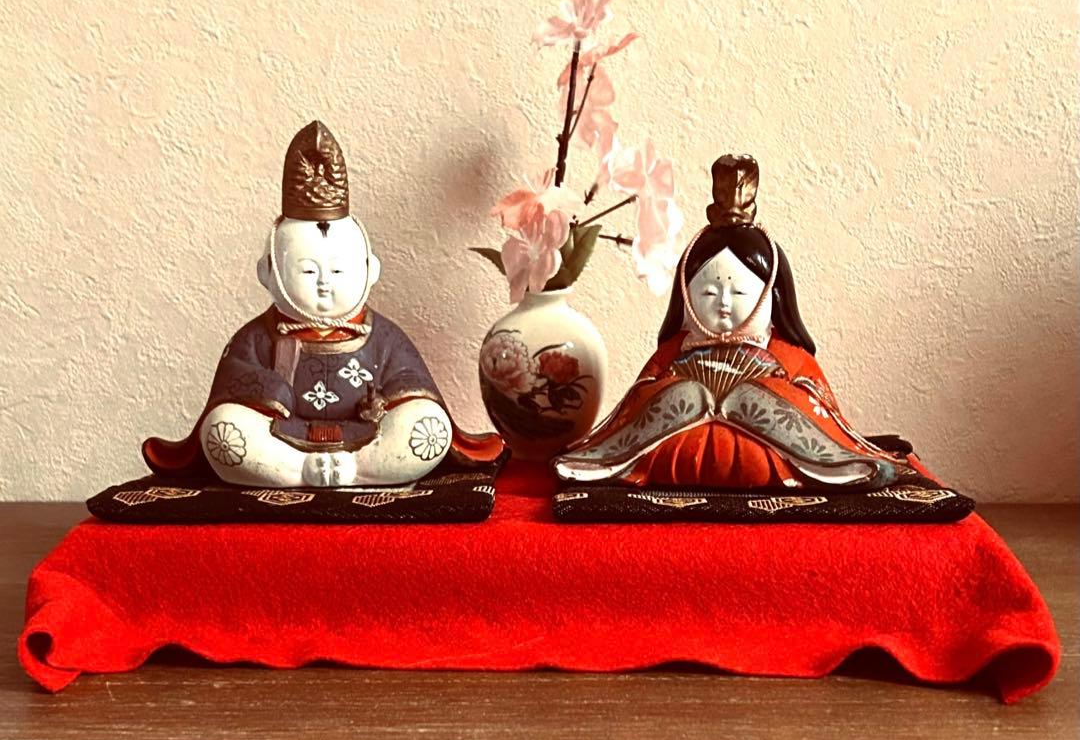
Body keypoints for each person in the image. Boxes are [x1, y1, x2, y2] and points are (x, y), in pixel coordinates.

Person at [143, 121, 505, 487]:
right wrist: (268, 392)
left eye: (337, 270)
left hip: (366, 439)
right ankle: (297, 471)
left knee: (430, 426)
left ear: (371, 270)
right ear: (268, 273)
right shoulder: (256, 338)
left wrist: (388, 404)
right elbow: (234, 388)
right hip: (283, 441)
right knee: (223, 430)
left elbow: (409, 383)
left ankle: (358, 469)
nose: (323, 282)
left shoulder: (384, 338)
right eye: (307, 270)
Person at [553, 154, 912, 491]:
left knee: (762, 427)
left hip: (767, 453)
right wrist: (682, 397)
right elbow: (635, 402)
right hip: (678, 447)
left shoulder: (789, 355)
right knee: (679, 405)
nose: (723, 303)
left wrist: (759, 400)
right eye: (709, 293)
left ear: (774, 298)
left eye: (739, 293)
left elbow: (818, 406)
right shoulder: (675, 351)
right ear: (685, 297)